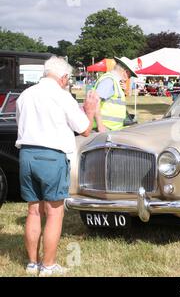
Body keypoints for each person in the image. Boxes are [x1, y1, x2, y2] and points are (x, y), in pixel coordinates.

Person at [15, 56, 99, 276]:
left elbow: (19, 123)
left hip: (26, 154)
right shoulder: (63, 97)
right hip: (51, 156)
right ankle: (48, 265)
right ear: (63, 78)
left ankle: (32, 263)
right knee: (54, 213)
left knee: (33, 211)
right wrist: (89, 110)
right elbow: (85, 129)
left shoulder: (25, 95)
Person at [92, 56, 137, 132]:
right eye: (130, 75)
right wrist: (100, 126)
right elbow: (94, 102)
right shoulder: (109, 80)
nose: (129, 78)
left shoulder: (114, 81)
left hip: (110, 129)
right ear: (126, 72)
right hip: (104, 129)